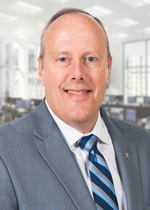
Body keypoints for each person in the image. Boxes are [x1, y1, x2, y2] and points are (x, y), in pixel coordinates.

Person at [0, 8, 150, 210]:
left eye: (91, 58)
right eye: (63, 59)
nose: (77, 74)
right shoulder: (5, 150)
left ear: (108, 69)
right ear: (41, 70)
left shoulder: (144, 144)